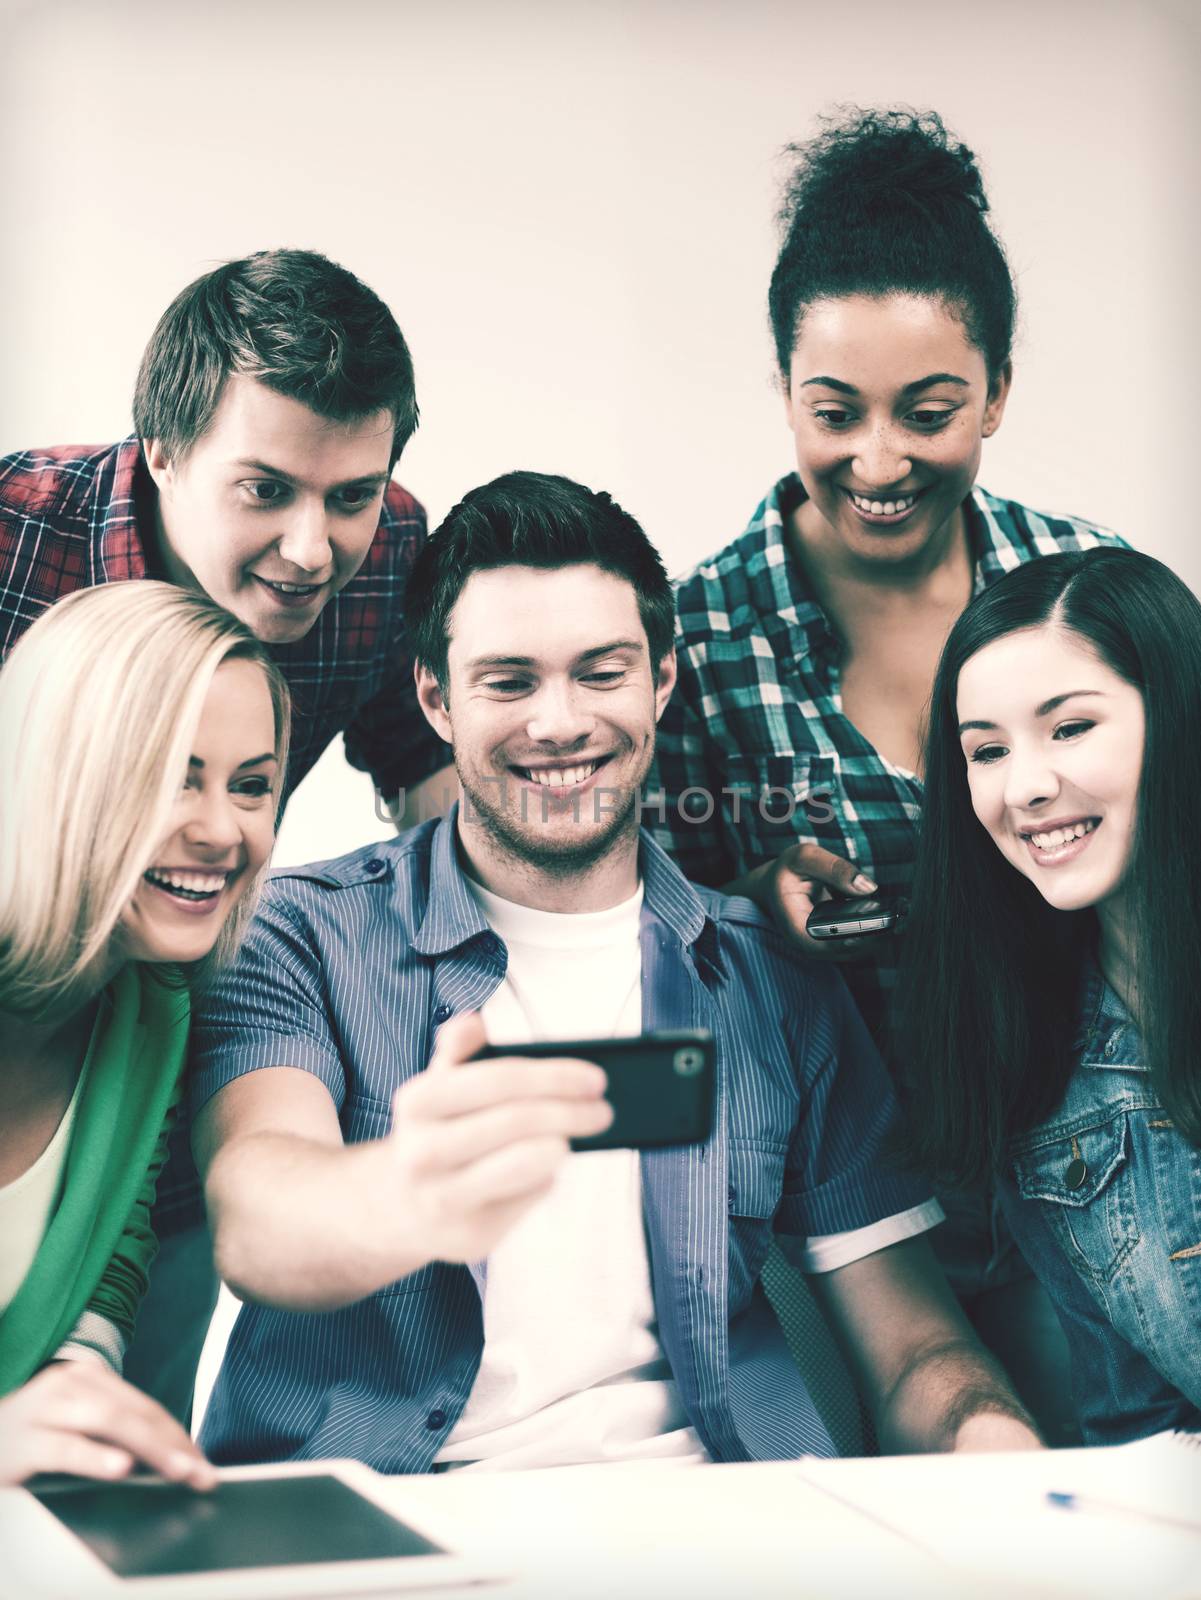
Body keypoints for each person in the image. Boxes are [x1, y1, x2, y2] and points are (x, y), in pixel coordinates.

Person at [190, 471, 1040, 1471]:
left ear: (661, 683)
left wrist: (998, 1450)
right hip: (390, 1523)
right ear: (436, 698)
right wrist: (408, 1191)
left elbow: (914, 1353)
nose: (560, 723)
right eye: (509, 681)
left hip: (712, 1520)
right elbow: (258, 1217)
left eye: (601, 672)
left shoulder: (772, 977)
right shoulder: (296, 935)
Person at [649, 107, 1125, 1429]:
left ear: (998, 391)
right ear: (781, 390)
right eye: (832, 411)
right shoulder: (700, 632)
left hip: (1083, 1169)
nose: (877, 460)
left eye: (928, 413)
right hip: (845, 1213)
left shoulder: (1082, 590)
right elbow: (650, 936)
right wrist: (756, 897)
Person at [0, 247, 452, 1417]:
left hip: (143, 1039)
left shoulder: (390, 552)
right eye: (267, 490)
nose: (315, 548)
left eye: (351, 493)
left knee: (105, 1395)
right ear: (160, 447)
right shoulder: (12, 533)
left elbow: (430, 778)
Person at [895, 546, 1201, 1444]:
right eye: (985, 751)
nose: (1022, 787)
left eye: (1068, 729)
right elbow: (1141, 1431)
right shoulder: (1030, 1067)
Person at [0, 581, 289, 1484]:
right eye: (174, 777)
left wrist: (81, 1388)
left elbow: (110, 1254)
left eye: (251, 786)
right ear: (60, 773)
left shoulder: (150, 1006)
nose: (221, 830)